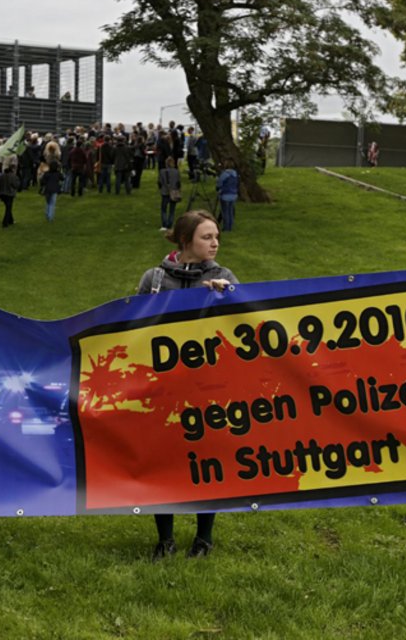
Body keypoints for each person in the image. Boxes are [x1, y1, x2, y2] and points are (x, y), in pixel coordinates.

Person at [136, 210, 239, 560]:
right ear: (185, 240)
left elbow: (242, 325)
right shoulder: (154, 278)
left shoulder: (224, 277)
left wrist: (225, 298)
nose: (215, 243)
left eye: (216, 237)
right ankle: (164, 539)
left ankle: (203, 538)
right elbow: (133, 326)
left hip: (207, 388)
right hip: (163, 387)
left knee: (207, 461)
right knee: (162, 461)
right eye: (207, 237)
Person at [158, 156, 182, 230]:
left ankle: (164, 224)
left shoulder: (162, 171)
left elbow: (160, 182)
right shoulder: (176, 172)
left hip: (165, 191)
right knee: (172, 210)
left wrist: (161, 188)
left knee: (164, 209)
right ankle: (170, 224)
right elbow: (178, 183)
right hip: (174, 192)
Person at [216, 160, 239, 231]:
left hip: (225, 195)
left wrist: (218, 188)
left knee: (225, 212)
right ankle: (230, 226)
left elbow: (219, 183)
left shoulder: (224, 174)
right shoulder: (235, 174)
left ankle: (226, 227)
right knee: (230, 211)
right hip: (233, 194)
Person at [0, 162, 20, 228]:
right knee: (8, 208)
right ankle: (5, 222)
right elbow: (16, 185)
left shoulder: (2, 176)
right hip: (9, 194)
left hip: (2, 194)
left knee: (8, 207)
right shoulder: (13, 176)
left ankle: (11, 220)